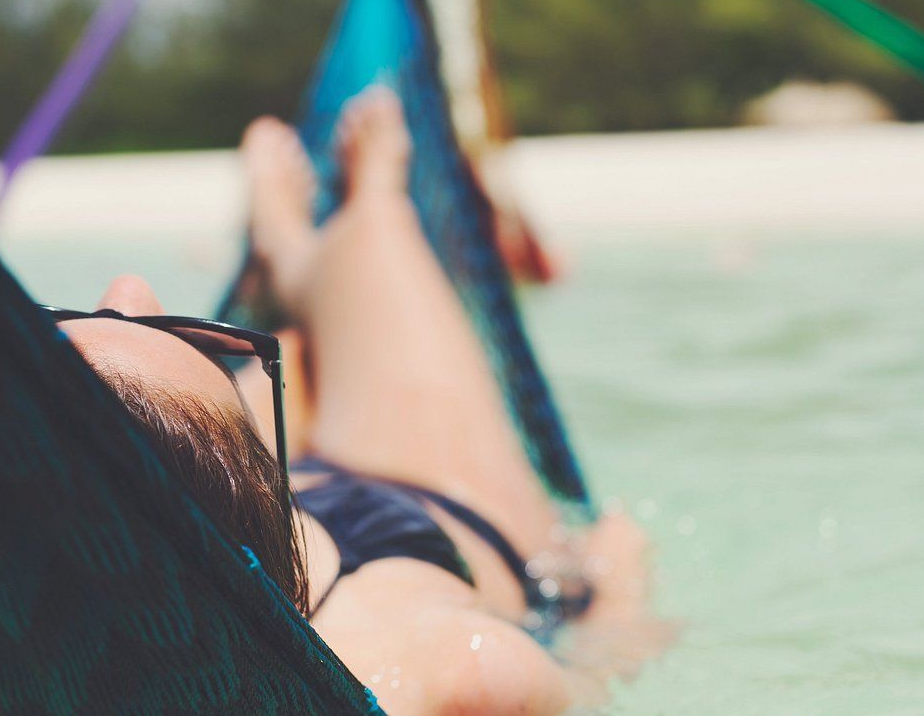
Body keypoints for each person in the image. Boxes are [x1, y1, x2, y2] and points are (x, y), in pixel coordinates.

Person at [56, 87, 668, 714]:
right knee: (372, 232)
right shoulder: (460, 670)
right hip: (415, 515)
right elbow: (599, 671)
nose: (130, 287)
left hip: (257, 508)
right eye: (175, 334)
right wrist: (617, 586)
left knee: (285, 354)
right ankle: (309, 241)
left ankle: (283, 262)